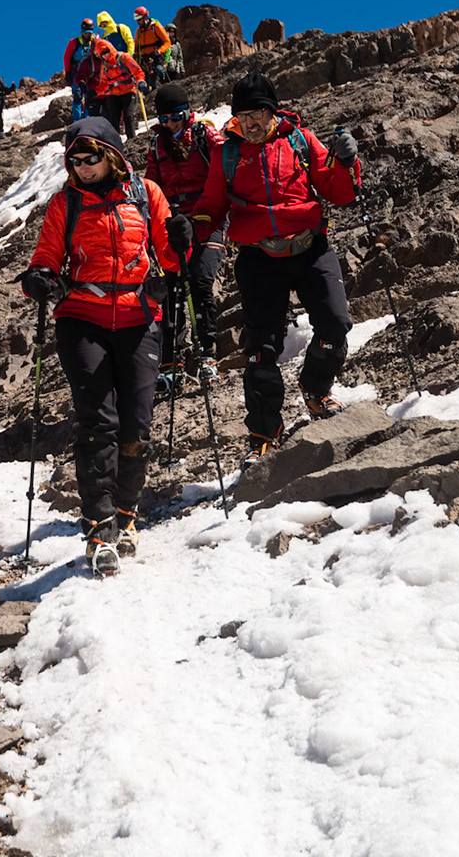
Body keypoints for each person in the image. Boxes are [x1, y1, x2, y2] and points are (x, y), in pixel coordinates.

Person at [18, 117, 190, 575]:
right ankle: (100, 527)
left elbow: (170, 258)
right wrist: (38, 279)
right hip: (81, 318)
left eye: (89, 157)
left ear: (111, 154)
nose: (81, 167)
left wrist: (179, 242)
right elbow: (46, 257)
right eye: (73, 160)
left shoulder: (146, 193)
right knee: (98, 421)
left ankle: (128, 515)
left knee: (136, 424)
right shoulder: (64, 203)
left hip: (139, 317)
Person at [187, 72, 362, 468]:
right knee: (261, 351)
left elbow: (339, 192)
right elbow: (211, 207)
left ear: (273, 111)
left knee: (335, 326)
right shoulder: (226, 154)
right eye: (243, 114)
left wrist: (348, 162)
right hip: (258, 258)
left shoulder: (299, 140)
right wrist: (190, 227)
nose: (250, 122)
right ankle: (264, 435)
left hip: (310, 247)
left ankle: (315, 390)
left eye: (258, 112)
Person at [143, 82, 225, 387]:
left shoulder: (205, 135)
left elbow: (223, 166)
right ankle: (171, 360)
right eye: (164, 120)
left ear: (187, 112)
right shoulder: (156, 146)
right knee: (172, 288)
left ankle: (208, 353)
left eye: (176, 117)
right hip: (175, 224)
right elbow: (153, 187)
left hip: (208, 219)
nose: (171, 125)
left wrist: (207, 211)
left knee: (201, 280)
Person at [88, 37, 145, 142]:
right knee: (114, 119)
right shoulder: (104, 66)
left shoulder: (124, 57)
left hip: (129, 90)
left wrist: (140, 81)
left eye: (106, 52)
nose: (105, 55)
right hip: (114, 94)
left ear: (111, 48)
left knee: (128, 116)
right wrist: (95, 92)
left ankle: (132, 141)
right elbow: (104, 84)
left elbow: (137, 72)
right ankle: (115, 143)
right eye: (102, 54)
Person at [61, 19, 99, 121]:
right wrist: (68, 72)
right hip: (76, 74)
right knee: (77, 96)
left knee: (89, 96)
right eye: (86, 33)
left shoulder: (94, 42)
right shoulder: (74, 42)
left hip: (90, 74)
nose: (88, 35)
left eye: (89, 33)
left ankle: (86, 119)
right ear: (82, 31)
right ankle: (77, 121)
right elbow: (67, 57)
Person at [133, 7, 174, 92]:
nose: (138, 22)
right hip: (144, 59)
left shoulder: (155, 27)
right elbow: (136, 46)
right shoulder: (139, 31)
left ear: (145, 17)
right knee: (145, 81)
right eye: (137, 20)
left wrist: (160, 50)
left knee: (156, 77)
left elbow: (167, 42)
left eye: (139, 20)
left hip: (156, 56)